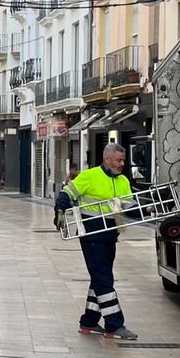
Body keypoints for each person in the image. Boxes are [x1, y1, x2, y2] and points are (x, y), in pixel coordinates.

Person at [55, 143, 138, 340]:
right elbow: (68, 193)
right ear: (107, 159)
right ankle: (114, 325)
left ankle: (89, 322)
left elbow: (130, 206)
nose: (122, 164)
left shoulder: (123, 180)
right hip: (92, 235)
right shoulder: (90, 176)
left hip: (110, 235)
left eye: (123, 160)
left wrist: (150, 208)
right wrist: (59, 210)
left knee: (99, 278)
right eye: (119, 160)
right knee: (104, 279)